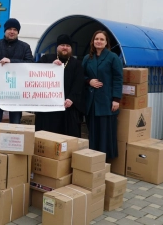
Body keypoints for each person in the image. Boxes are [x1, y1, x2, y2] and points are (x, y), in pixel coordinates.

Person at [82, 30, 123, 160]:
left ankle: (106, 160)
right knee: (93, 131)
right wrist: (89, 81)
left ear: (106, 43)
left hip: (106, 101)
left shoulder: (112, 57)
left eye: (101, 39)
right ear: (92, 42)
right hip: (91, 102)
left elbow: (118, 79)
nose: (98, 41)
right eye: (96, 39)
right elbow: (80, 76)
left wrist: (116, 99)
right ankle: (93, 159)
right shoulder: (87, 58)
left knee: (105, 132)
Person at [35, 34, 84, 137]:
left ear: (71, 48)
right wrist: (50, 66)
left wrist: (71, 99)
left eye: (67, 45)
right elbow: (35, 73)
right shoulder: (47, 58)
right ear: (57, 47)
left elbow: (78, 83)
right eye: (62, 45)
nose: (65, 47)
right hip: (49, 108)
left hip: (68, 107)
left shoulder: (77, 64)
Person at [0, 18, 34, 123]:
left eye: (15, 29)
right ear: (4, 30)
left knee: (16, 124)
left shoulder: (25, 47)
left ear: (18, 32)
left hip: (17, 94)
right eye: (9, 29)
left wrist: (11, 61)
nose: (12, 31)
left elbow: (30, 64)